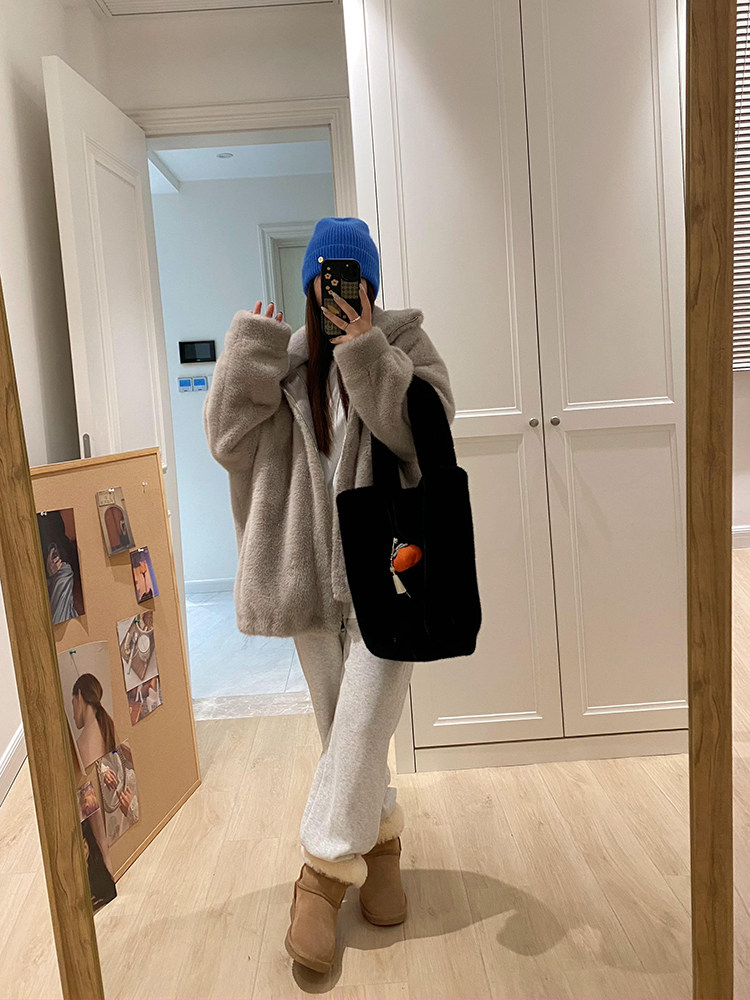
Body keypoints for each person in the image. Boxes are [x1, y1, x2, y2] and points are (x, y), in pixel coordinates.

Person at [204, 216, 454, 974]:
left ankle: (318, 877)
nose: (342, 290)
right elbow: (226, 442)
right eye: (329, 277)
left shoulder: (405, 346)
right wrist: (246, 350)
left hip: (394, 572)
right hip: (308, 575)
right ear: (311, 282)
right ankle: (381, 845)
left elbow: (426, 437)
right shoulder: (281, 365)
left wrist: (367, 352)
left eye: (355, 278)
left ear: (372, 285)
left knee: (363, 720)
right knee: (342, 729)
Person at [72, 672, 117, 769]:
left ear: (79, 696)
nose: (73, 716)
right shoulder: (108, 727)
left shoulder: (82, 744)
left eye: (73, 703)